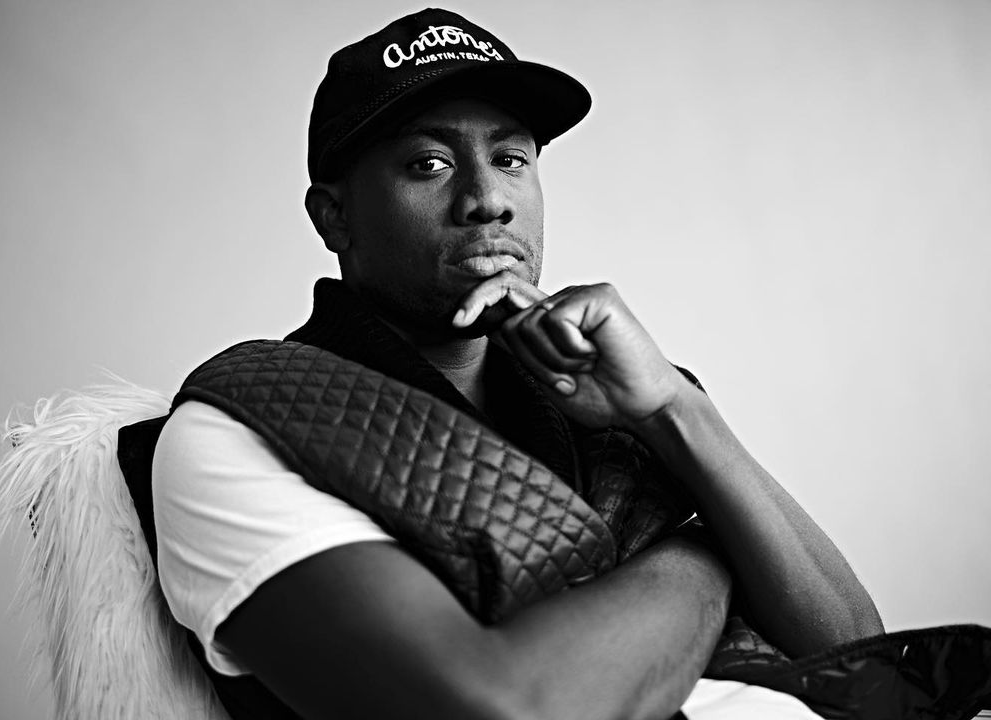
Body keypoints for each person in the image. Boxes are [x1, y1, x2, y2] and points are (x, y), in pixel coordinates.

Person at [144, 8, 888, 720]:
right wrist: (703, 556)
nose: (487, 200)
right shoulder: (241, 429)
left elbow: (859, 652)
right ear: (333, 216)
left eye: (510, 160)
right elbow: (503, 709)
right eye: (429, 163)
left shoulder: (612, 398)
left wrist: (671, 408)